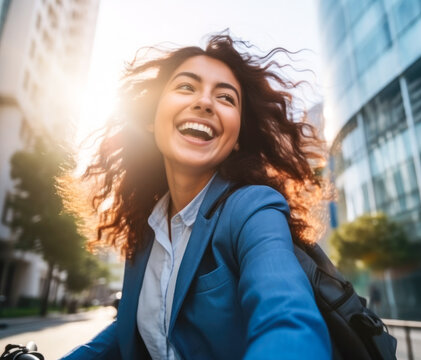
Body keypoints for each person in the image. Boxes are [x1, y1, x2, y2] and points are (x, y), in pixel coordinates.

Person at [60, 33, 332, 359]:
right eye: (186, 87)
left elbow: (289, 320)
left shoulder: (253, 208)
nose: (204, 102)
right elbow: (130, 326)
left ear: (237, 140)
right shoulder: (146, 231)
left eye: (226, 98)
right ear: (150, 119)